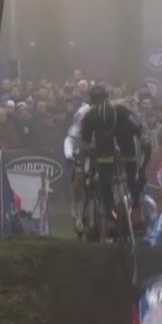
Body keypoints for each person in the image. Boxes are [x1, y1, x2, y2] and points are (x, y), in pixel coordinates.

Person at [78, 84, 153, 239]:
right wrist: (143, 167)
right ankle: (136, 212)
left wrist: (86, 163)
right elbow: (142, 132)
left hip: (105, 156)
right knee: (135, 179)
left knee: (104, 184)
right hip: (127, 155)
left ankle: (111, 216)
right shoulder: (123, 111)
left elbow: (84, 143)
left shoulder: (90, 115)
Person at [63, 98, 92, 237]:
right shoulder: (82, 115)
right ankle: (76, 213)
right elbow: (70, 139)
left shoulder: (107, 114)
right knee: (79, 178)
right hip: (82, 151)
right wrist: (69, 155)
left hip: (98, 151)